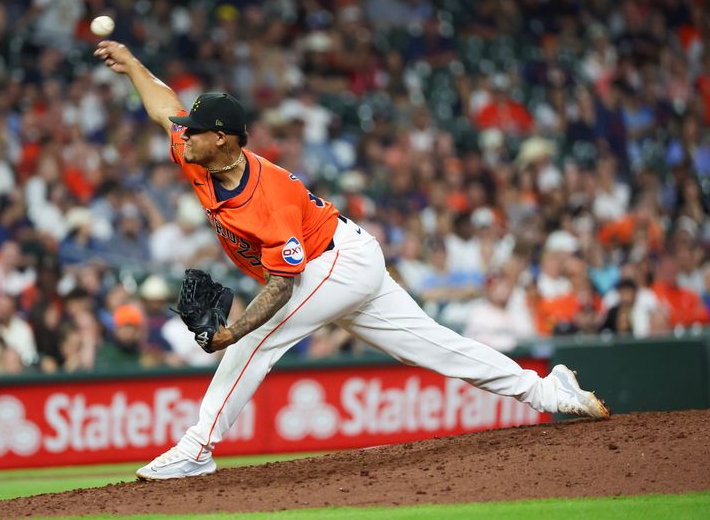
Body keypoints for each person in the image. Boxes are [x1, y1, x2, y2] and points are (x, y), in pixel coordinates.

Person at [93, 41, 611, 481]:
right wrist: (134, 65)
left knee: (256, 338)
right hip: (344, 258)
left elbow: (280, 287)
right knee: (435, 347)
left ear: (223, 139)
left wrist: (233, 333)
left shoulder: (264, 200)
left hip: (333, 263)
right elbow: (166, 108)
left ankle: (198, 447)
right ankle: (547, 390)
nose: (186, 133)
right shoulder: (198, 152)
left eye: (198, 129)